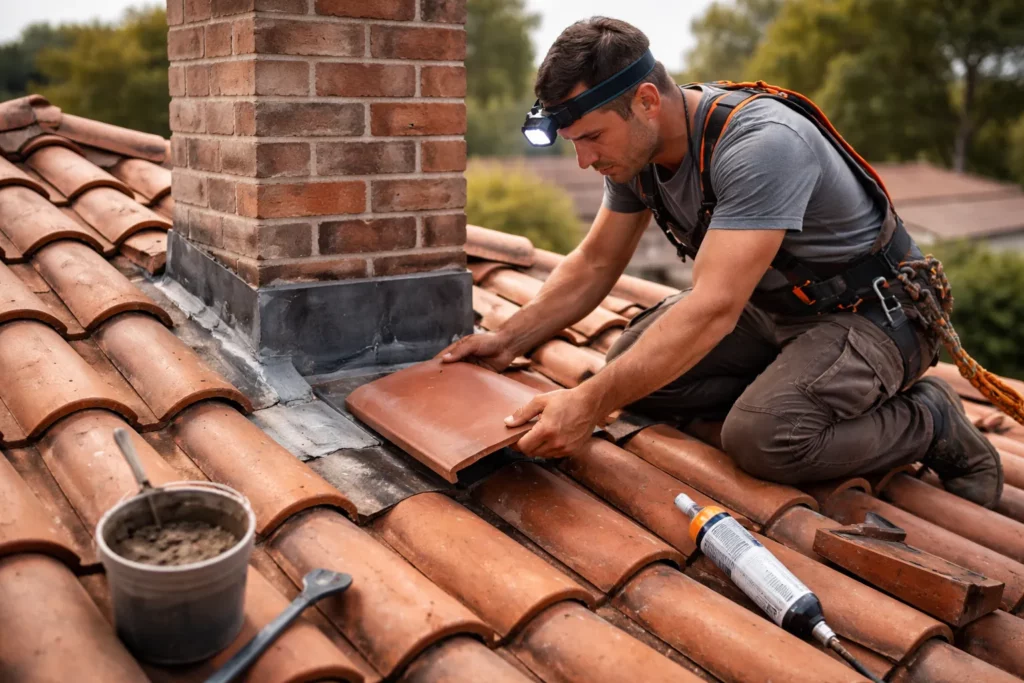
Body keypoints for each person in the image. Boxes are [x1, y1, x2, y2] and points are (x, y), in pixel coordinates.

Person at [438, 17, 1003, 508]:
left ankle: (929, 421)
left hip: (874, 317)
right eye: (572, 143)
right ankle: (789, 383)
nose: (584, 160)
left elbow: (712, 308)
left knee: (764, 438)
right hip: (772, 311)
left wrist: (587, 406)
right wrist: (509, 339)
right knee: (631, 370)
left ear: (646, 102)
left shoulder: (760, 146)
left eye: (591, 138)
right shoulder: (637, 155)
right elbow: (593, 264)